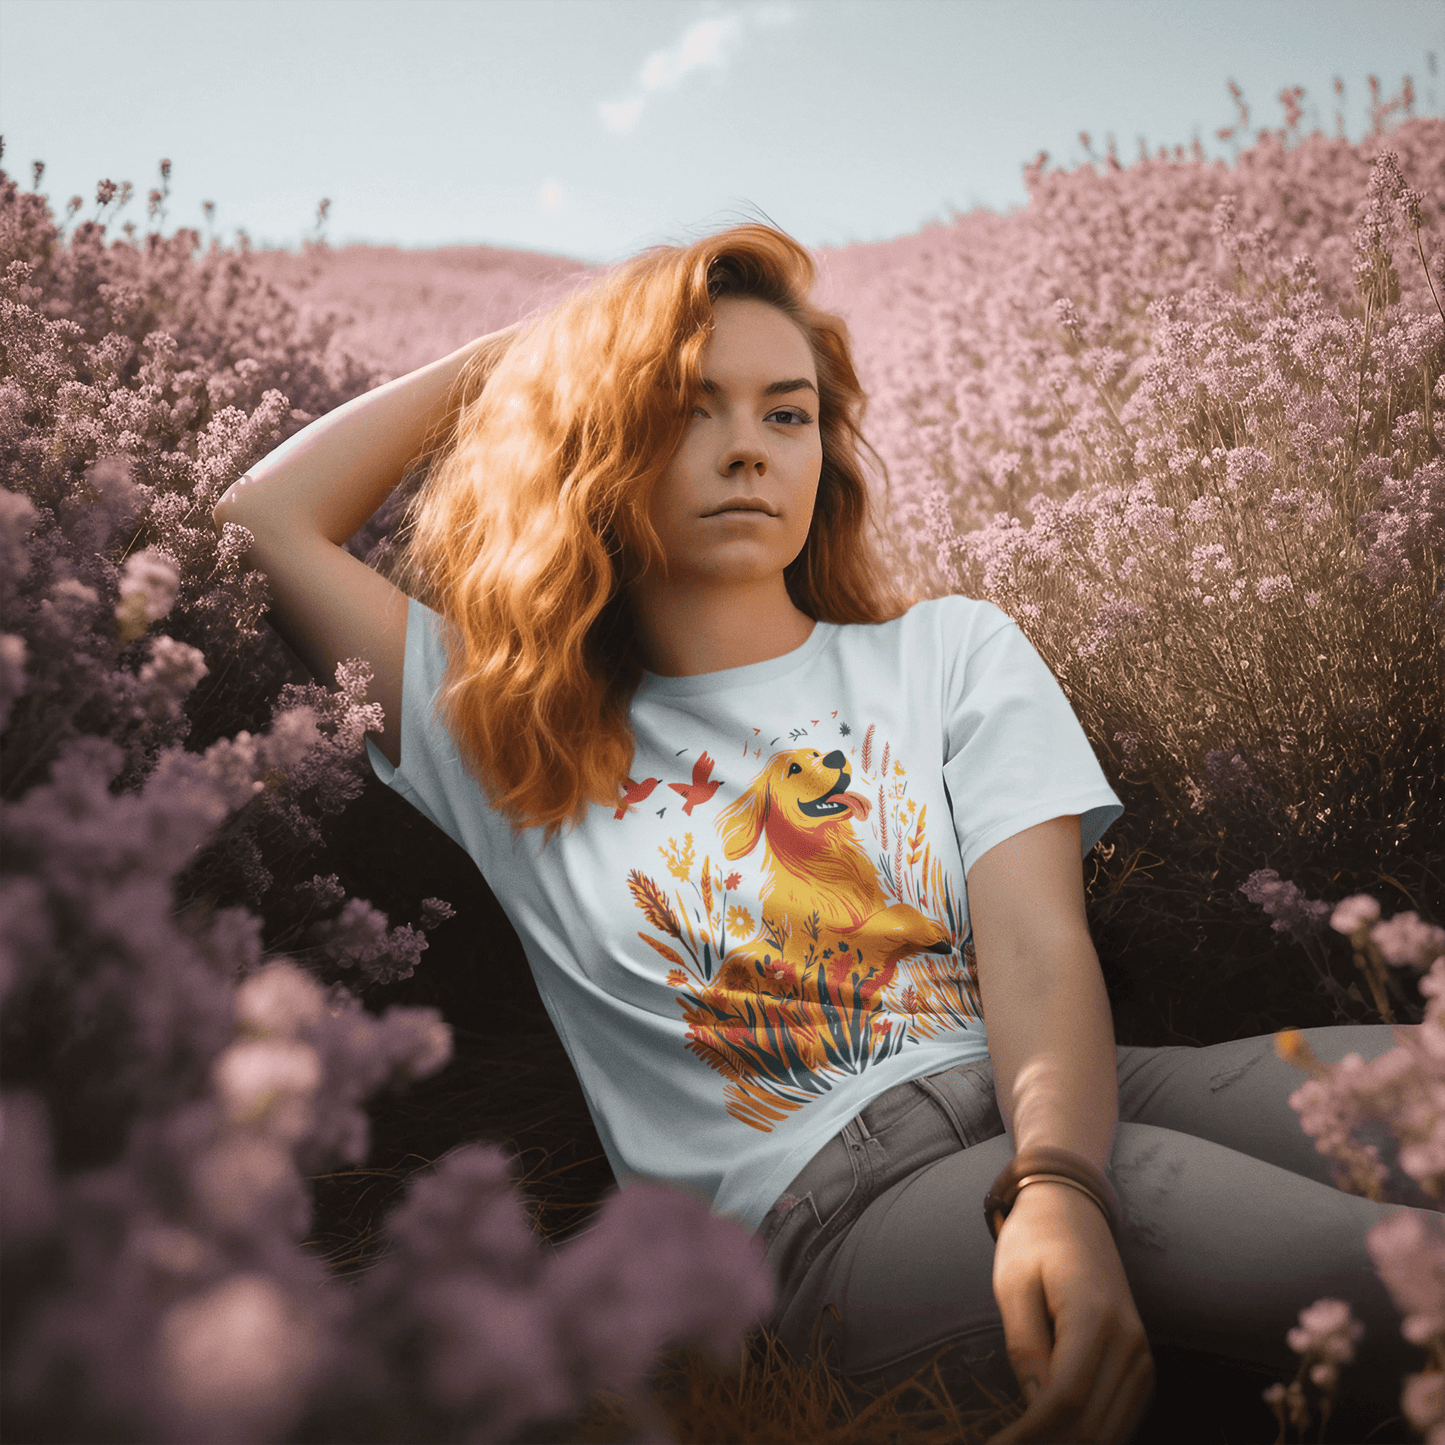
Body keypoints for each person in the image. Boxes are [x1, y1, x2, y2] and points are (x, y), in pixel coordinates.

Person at [213, 223, 1429, 1444]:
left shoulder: (948, 649)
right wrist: (536, 352)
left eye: (785, 413)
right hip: (823, 1217)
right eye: (687, 408)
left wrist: (1054, 1172)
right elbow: (266, 515)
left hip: (1052, 1088)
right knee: (1384, 1269)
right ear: (597, 440)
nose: (746, 445)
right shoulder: (509, 723)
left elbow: (1035, 942)